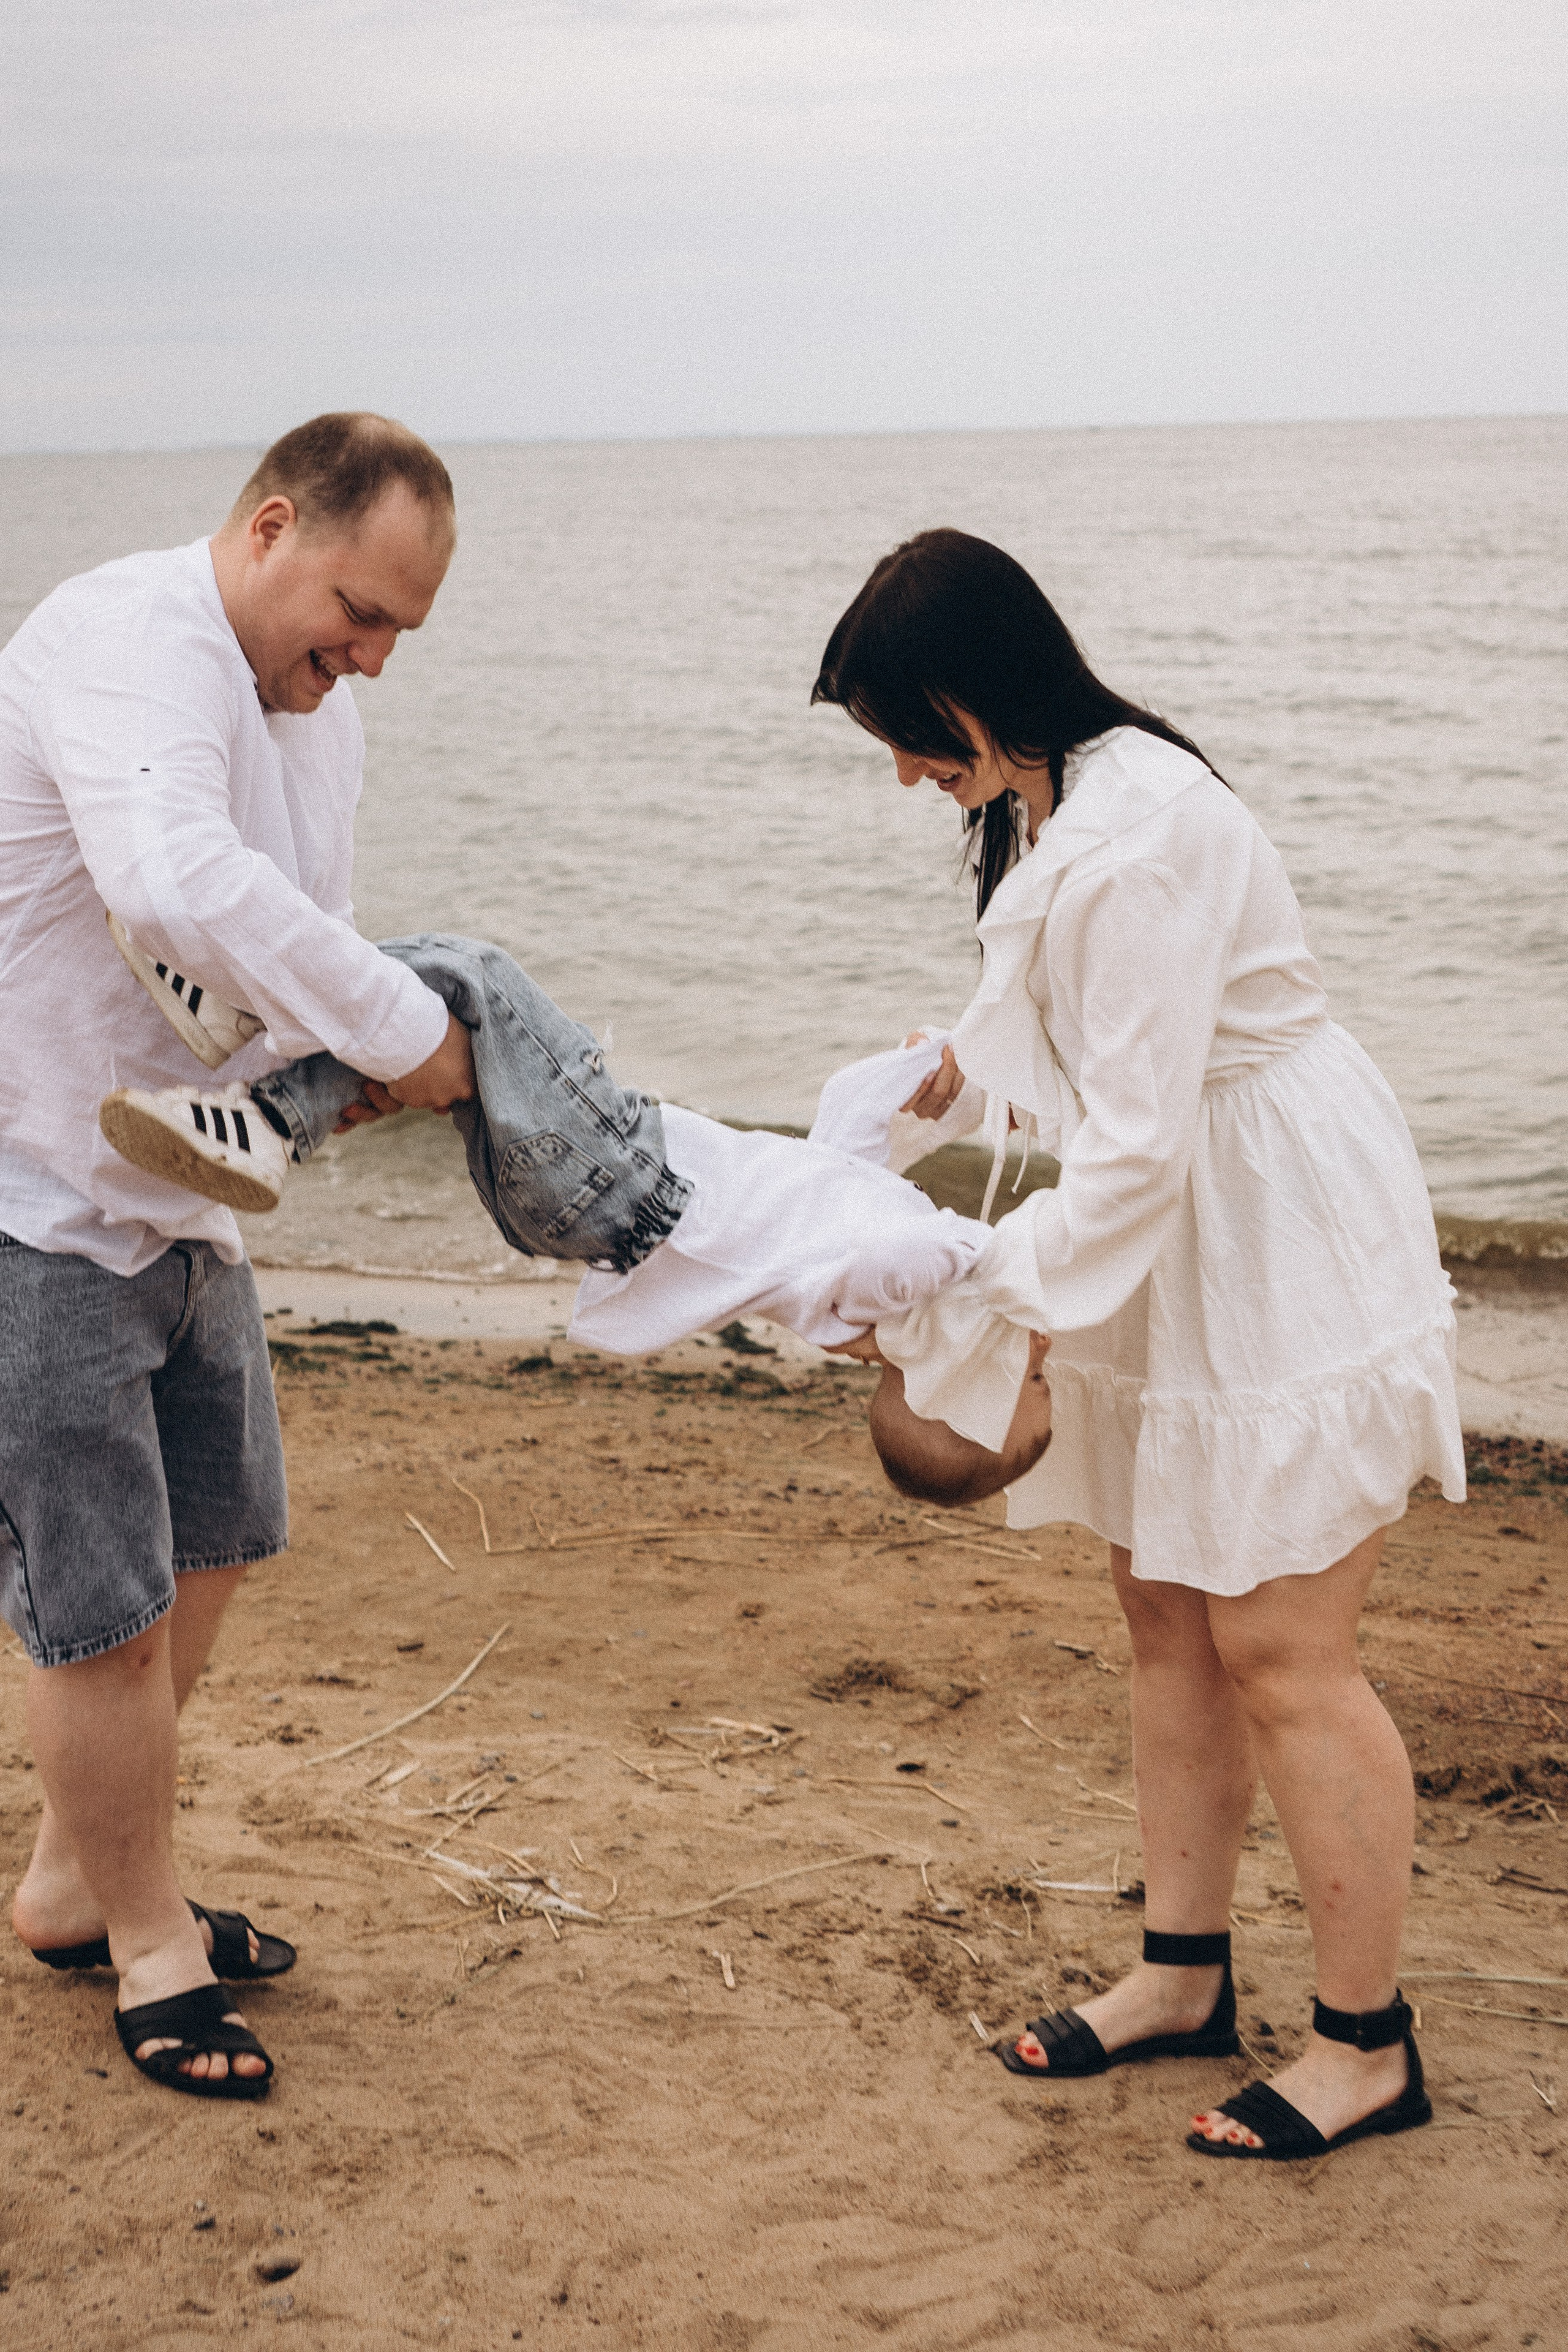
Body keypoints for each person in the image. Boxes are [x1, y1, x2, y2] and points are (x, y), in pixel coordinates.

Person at [812, 528, 1466, 2164]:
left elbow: (1135, 1151)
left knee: (1285, 1648)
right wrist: (957, 1073)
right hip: (1188, 1218)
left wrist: (966, 1286)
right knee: (1165, 1605)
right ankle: (1184, 1974)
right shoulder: (1062, 792)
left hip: (1259, 1222)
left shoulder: (1137, 832)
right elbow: (1100, 1041)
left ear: (970, 691)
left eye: (905, 733)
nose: (902, 776)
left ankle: (1366, 2045)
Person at [0, 413, 477, 2100]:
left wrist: (342, 1067)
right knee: (101, 1616)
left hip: (188, 1189)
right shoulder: (128, 640)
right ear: (271, 527)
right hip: (33, 1197)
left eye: (402, 633)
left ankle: (73, 1880)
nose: (371, 658)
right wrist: (406, 1025)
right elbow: (170, 871)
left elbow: (294, 940)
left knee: (216, 1543)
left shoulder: (311, 712)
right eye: (358, 611)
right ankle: (144, 1946)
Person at [96, 933, 1054, 1504]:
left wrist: (1014, 1260)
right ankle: (261, 1064)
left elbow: (916, 1252)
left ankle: (258, 1059)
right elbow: (843, 1125)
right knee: (446, 1021)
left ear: (956, 1382)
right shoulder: (847, 1252)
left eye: (1033, 1380)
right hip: (587, 1198)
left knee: (478, 979)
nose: (1044, 1351)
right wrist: (940, 1063)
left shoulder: (876, 1307)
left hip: (616, 1179)